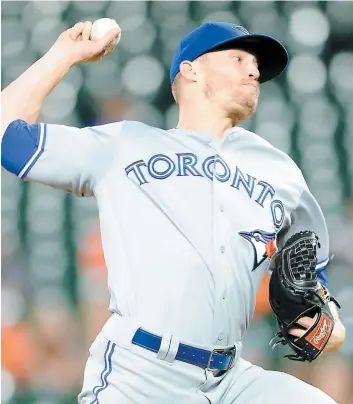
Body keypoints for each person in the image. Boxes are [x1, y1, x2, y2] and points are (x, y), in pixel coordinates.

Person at [1, 20, 346, 404]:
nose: (254, 71)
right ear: (190, 69)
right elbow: (4, 134)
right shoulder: (125, 144)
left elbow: (321, 308)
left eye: (256, 65)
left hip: (231, 379)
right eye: (238, 58)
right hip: (141, 373)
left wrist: (323, 328)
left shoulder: (280, 171)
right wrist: (63, 55)